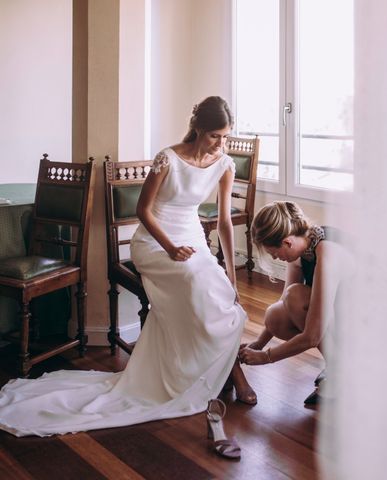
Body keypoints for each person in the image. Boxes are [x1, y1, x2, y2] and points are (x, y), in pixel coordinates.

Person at [0, 97, 255, 452]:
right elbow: (143, 210)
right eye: (215, 136)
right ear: (198, 128)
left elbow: (225, 222)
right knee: (197, 283)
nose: (221, 144)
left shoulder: (224, 164)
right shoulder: (168, 157)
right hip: (154, 242)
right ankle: (234, 373)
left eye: (225, 137)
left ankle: (227, 369)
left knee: (221, 293)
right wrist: (169, 248)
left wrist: (231, 271)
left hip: (192, 241)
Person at [238, 201, 354, 404]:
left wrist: (266, 357)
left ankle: (342, 372)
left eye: (274, 252)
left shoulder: (327, 253)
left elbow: (312, 336)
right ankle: (338, 364)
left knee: (296, 297)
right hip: (342, 313)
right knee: (276, 315)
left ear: (287, 242)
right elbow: (284, 303)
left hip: (368, 321)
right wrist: (259, 343)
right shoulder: (303, 247)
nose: (275, 257)